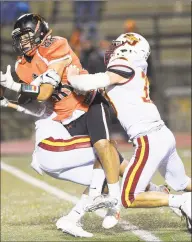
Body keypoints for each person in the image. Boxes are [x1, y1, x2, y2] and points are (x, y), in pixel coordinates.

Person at [0, 13, 122, 229]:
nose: (22, 42)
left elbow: (45, 92)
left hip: (89, 104)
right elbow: (36, 101)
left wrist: (17, 87)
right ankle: (174, 198)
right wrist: (9, 100)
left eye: (27, 36)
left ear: (39, 32)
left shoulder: (56, 45)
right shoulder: (21, 66)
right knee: (119, 166)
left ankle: (115, 204)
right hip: (67, 119)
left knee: (104, 148)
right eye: (19, 38)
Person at [65, 32, 192, 233]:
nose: (112, 50)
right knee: (182, 182)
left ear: (128, 47)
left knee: (129, 197)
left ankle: (183, 202)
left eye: (117, 46)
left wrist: (72, 77)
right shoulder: (134, 68)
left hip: (149, 138)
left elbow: (90, 83)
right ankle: (185, 199)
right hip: (161, 134)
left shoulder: (126, 62)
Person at [0, 94, 174, 237]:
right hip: (51, 150)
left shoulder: (54, 106)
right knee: (105, 147)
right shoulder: (53, 103)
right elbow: (38, 101)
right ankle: (134, 195)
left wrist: (8, 102)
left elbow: (28, 106)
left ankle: (72, 218)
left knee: (105, 175)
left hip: (54, 157)